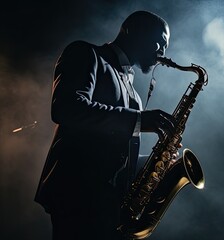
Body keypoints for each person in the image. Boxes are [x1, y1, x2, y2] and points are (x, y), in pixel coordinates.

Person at [35, 10, 176, 240]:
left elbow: (118, 155)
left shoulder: (134, 93)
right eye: (159, 42)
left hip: (108, 202)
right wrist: (138, 119)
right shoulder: (86, 53)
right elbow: (66, 108)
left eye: (165, 46)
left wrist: (157, 163)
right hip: (76, 194)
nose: (162, 51)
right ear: (133, 30)